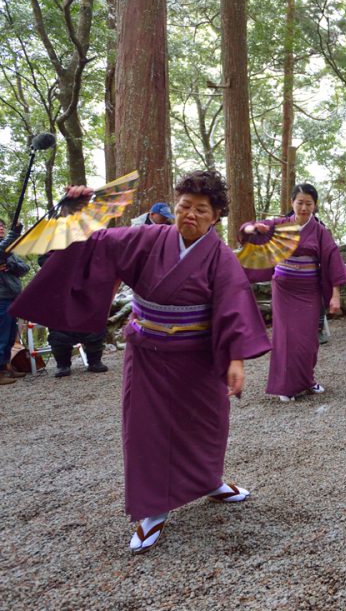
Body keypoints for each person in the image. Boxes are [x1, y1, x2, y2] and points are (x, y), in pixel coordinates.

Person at [10, 169, 271, 554]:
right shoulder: (147, 239)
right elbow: (93, 245)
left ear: (215, 216)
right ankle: (152, 509)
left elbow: (233, 305)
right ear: (174, 206)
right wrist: (76, 212)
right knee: (146, 431)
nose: (191, 215)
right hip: (147, 352)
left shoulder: (220, 256)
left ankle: (208, 480)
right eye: (184, 206)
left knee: (207, 425)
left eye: (202, 209)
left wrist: (236, 359)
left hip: (197, 357)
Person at [239, 183, 346, 402]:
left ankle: (307, 380)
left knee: (309, 339)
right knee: (286, 337)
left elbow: (332, 262)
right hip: (283, 287)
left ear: (314, 205)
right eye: (299, 202)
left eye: (308, 204)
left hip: (308, 289)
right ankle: (285, 386)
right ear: (292, 203)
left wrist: (335, 295)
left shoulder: (320, 231)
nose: (303, 207)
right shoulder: (279, 225)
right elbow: (248, 229)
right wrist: (252, 229)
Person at [35, 252, 108, 377]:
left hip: (84, 294)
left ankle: (95, 362)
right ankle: (63, 365)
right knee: (59, 334)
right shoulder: (49, 252)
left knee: (93, 328)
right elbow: (44, 262)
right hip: (59, 297)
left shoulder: (85, 247)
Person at [0, 219, 29, 385]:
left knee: (11, 336)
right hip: (1, 299)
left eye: (2, 225)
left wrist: (9, 266)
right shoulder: (4, 248)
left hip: (12, 298)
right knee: (2, 336)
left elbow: (24, 268)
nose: (1, 228)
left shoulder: (8, 252)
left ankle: (6, 367)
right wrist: (16, 231)